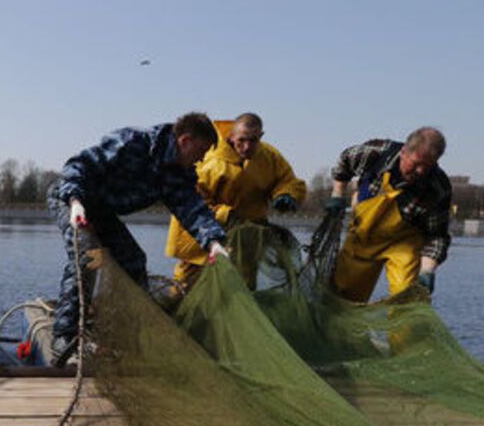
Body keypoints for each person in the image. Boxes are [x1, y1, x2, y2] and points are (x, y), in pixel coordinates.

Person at [46, 112, 228, 353]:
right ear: (184, 141)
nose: (202, 158)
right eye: (201, 150)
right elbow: (78, 166)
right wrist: (75, 201)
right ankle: (64, 336)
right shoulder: (133, 141)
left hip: (102, 210)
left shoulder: (177, 174)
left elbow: (193, 211)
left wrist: (214, 243)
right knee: (87, 256)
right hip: (71, 199)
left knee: (133, 261)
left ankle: (120, 335)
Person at [165, 113, 305, 291]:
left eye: (253, 140)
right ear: (231, 136)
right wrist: (225, 214)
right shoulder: (209, 157)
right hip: (203, 235)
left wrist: (286, 194)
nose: (247, 147)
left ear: (261, 136)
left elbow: (287, 180)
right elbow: (190, 201)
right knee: (188, 283)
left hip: (247, 238)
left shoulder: (269, 156)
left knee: (242, 287)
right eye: (242, 140)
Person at [325, 128, 451, 301]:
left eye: (427, 166)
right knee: (343, 297)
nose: (420, 171)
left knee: (407, 301)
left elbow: (437, 236)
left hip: (404, 245)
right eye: (416, 164)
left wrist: (427, 271)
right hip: (363, 237)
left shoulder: (438, 188)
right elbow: (345, 160)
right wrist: (337, 194)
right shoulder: (376, 153)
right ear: (404, 152)